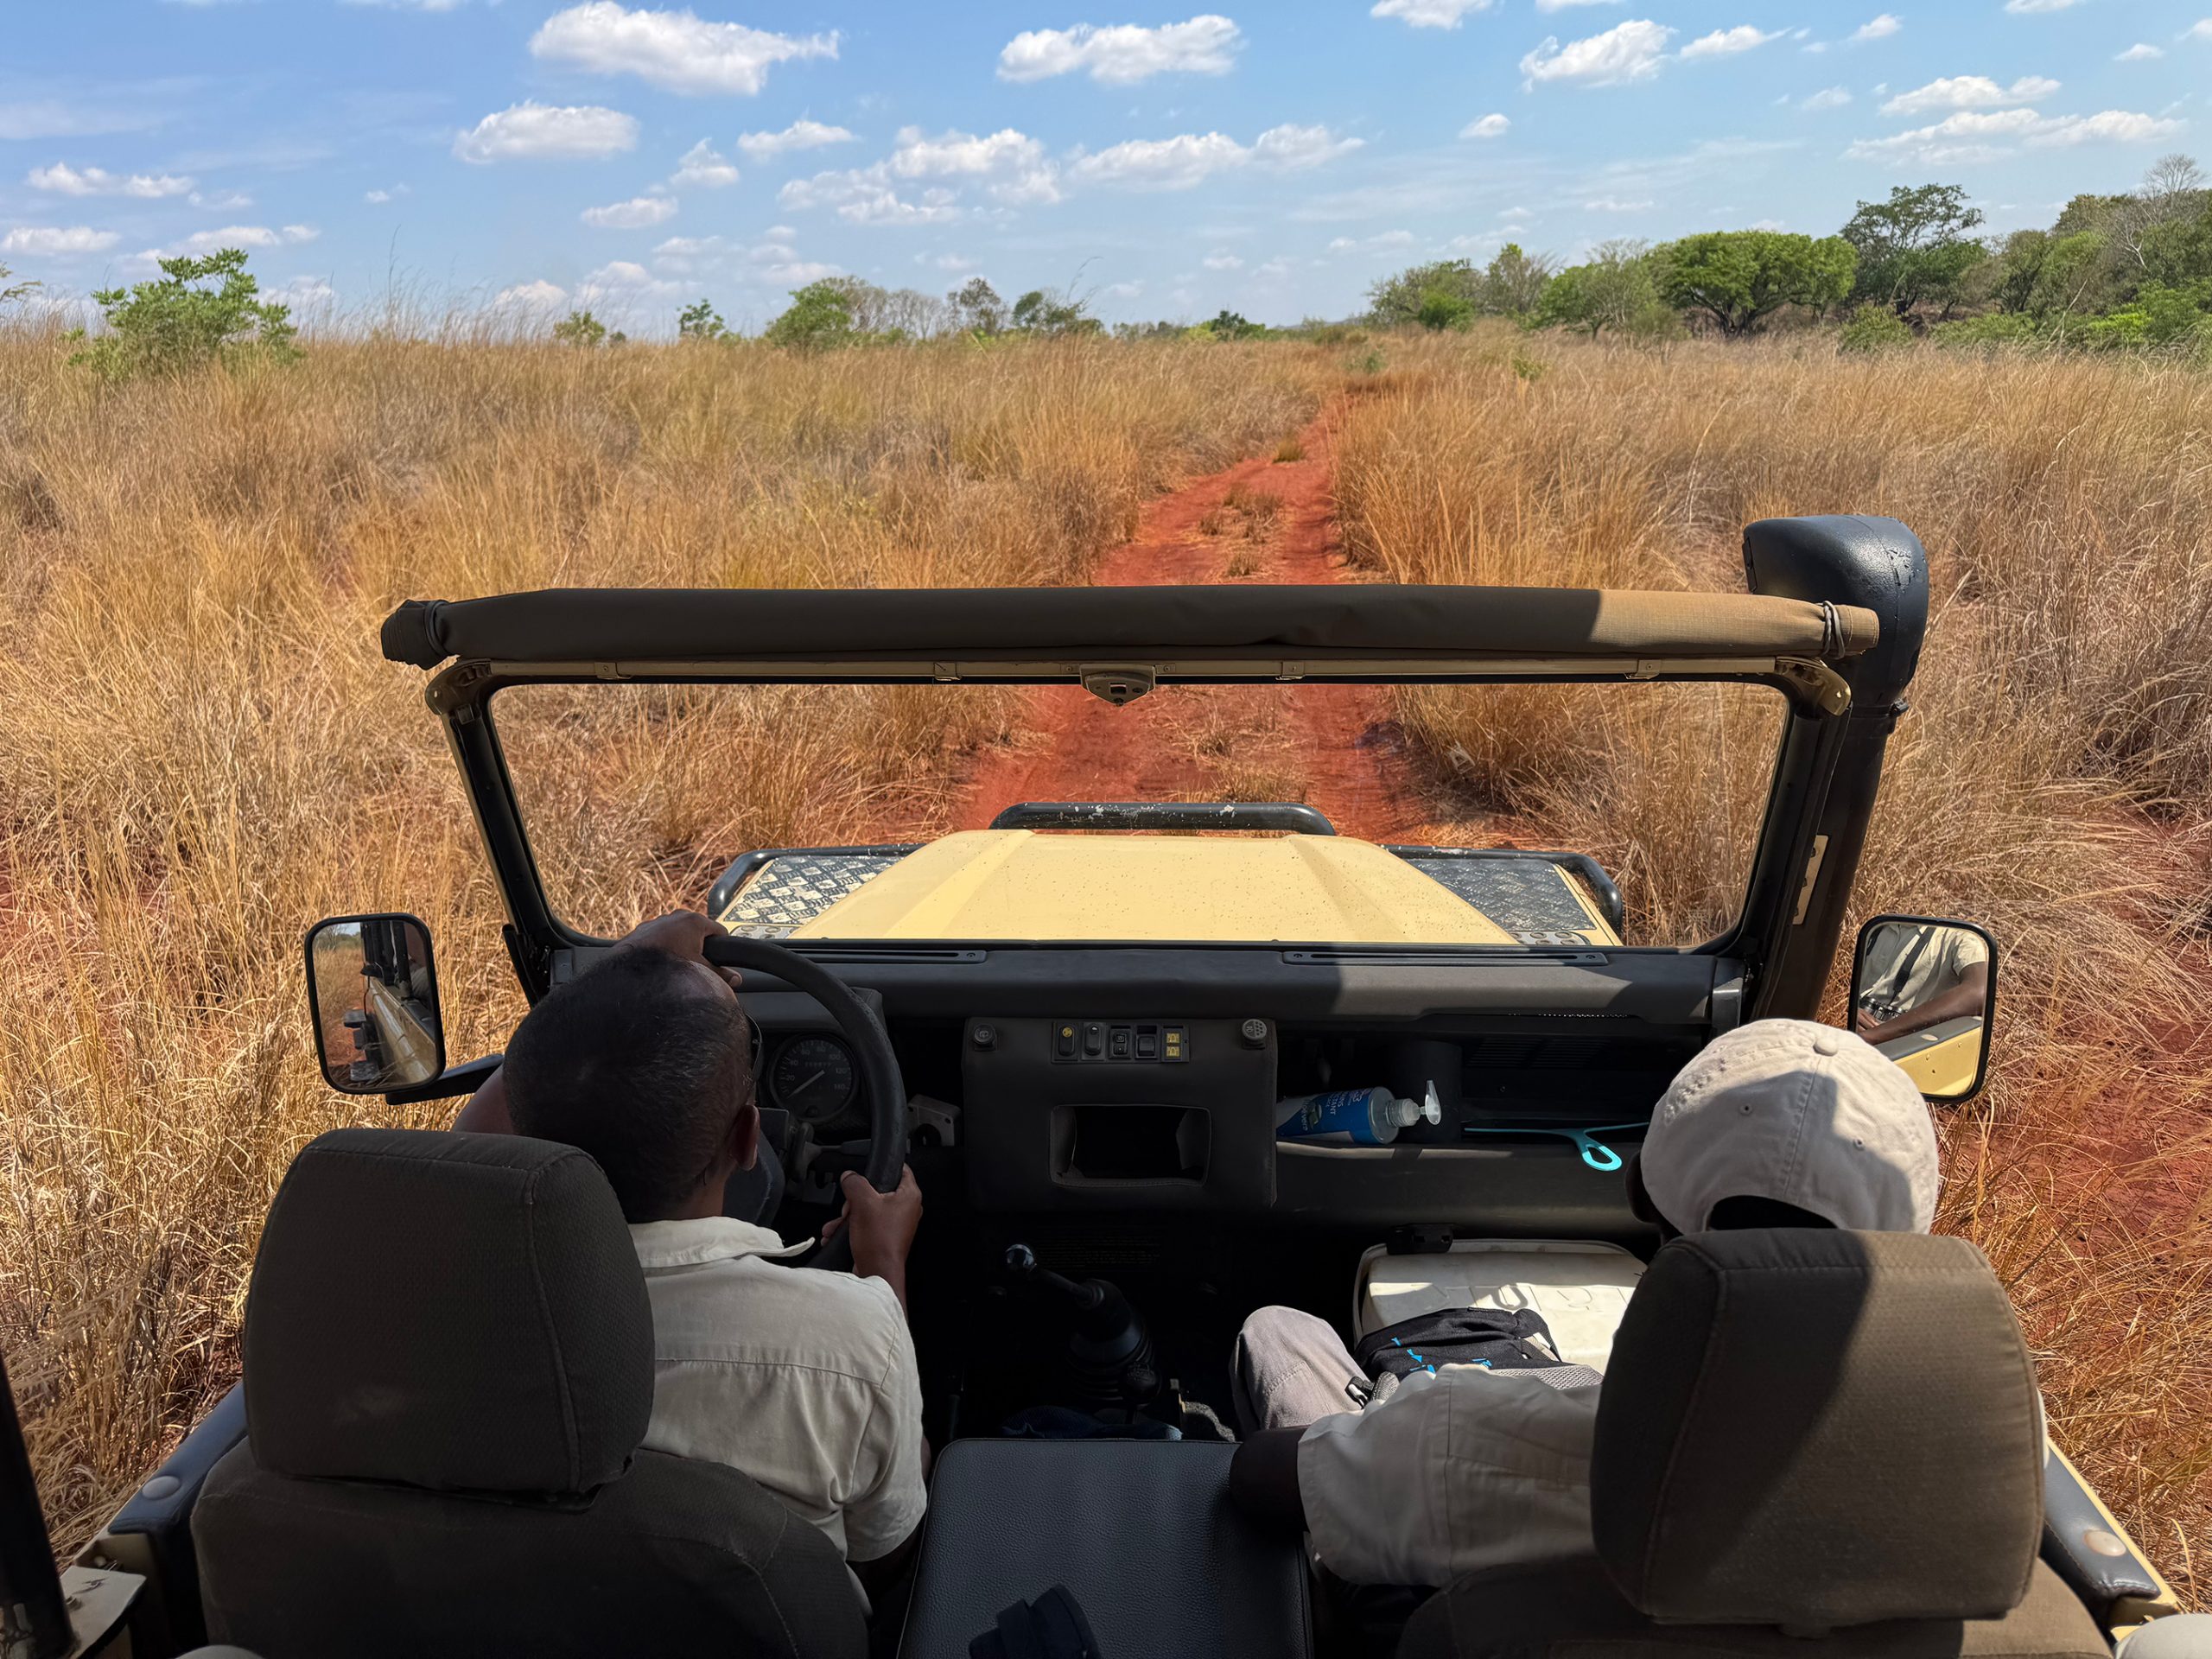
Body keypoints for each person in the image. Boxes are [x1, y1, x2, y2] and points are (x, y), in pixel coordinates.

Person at [1226, 1019, 1939, 1591]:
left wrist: (1402, 1421)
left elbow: (1259, 1477)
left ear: (1640, 1193)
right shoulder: (1967, 1468)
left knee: (1279, 1331)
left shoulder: (1479, 1442)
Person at [454, 912, 927, 1604]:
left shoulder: (447, 1299)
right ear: (747, 1138)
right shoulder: (851, 1338)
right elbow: (892, 1549)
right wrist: (883, 1266)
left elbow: (469, 1149)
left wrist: (632, 958)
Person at [1853, 921, 1990, 1046]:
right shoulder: (1876, 926)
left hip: (1898, 1047)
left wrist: (1873, 1035)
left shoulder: (1958, 938)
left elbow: (1979, 993)